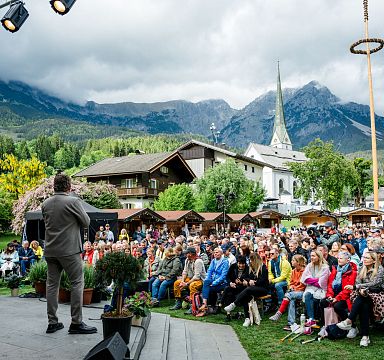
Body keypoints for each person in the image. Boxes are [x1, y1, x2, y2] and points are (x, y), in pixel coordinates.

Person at [41, 173, 97, 335]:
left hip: (51, 250)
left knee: (51, 285)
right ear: (69, 186)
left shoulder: (45, 203)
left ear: (54, 186)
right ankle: (76, 323)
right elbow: (86, 222)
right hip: (69, 250)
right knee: (77, 283)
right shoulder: (73, 201)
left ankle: (52, 323)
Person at [337, 251, 384, 347]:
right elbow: (358, 280)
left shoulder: (380, 269)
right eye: (364, 257)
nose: (364, 259)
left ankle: (349, 321)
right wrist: (361, 289)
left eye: (367, 258)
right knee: (364, 305)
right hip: (362, 293)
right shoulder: (362, 267)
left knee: (363, 300)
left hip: (377, 294)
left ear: (374, 260)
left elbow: (375, 284)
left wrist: (357, 287)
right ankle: (365, 337)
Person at [224, 253, 269, 327]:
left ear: (255, 260)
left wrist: (254, 282)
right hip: (252, 288)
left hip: (262, 289)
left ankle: (233, 304)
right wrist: (249, 280)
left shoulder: (263, 267)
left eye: (252, 260)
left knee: (248, 289)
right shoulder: (251, 267)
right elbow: (246, 276)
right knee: (246, 295)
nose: (250, 262)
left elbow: (263, 280)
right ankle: (247, 318)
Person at [319, 251, 357, 336]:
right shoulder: (335, 269)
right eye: (338, 258)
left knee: (338, 306)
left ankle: (352, 326)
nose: (339, 260)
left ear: (348, 260)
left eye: (341, 258)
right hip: (333, 294)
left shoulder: (352, 272)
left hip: (345, 296)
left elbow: (348, 290)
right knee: (323, 302)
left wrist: (337, 298)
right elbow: (330, 284)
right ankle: (324, 325)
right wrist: (330, 296)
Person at [269, 254, 307, 330]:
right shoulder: (293, 271)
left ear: (298, 262)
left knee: (289, 295)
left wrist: (294, 288)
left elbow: (303, 285)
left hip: (303, 292)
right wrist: (291, 287)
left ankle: (279, 313)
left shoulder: (304, 271)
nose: (291, 262)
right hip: (294, 292)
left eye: (293, 260)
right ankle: (291, 324)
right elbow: (291, 282)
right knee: (291, 299)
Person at [198, 247, 229, 315]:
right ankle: (205, 304)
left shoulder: (225, 262)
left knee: (209, 288)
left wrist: (214, 283)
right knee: (206, 282)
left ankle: (207, 305)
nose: (215, 253)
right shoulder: (213, 261)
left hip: (222, 283)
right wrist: (207, 279)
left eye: (217, 252)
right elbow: (209, 271)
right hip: (213, 280)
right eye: (214, 252)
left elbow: (223, 276)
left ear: (221, 253)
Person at [220, 256, 250, 321]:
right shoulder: (233, 266)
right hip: (234, 286)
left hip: (243, 288)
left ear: (245, 263)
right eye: (239, 263)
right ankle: (228, 314)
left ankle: (220, 304)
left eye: (243, 264)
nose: (241, 265)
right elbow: (227, 277)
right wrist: (231, 282)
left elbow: (249, 278)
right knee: (229, 292)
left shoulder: (248, 268)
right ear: (237, 263)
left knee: (227, 289)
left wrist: (242, 282)